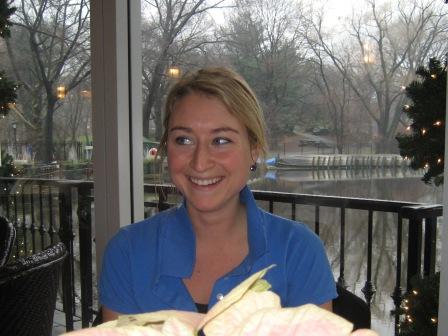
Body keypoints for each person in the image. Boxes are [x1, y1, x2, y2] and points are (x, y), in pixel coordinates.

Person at [99, 67, 337, 322]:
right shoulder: (128, 252)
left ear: (254, 151)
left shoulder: (298, 251)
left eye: (221, 141)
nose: (200, 163)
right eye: (184, 140)